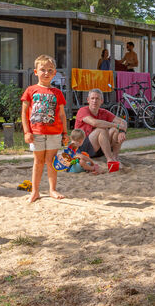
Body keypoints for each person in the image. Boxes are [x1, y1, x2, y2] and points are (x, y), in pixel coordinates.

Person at [21, 54, 67, 202]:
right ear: (36, 72)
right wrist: (27, 131)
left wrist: (65, 133)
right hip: (36, 133)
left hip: (55, 133)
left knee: (51, 161)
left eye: (50, 70)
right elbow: (24, 113)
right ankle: (35, 191)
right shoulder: (30, 90)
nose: (46, 73)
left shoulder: (57, 93)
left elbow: (62, 115)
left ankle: (52, 189)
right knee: (38, 162)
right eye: (43, 70)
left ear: (54, 73)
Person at [74, 89, 126, 172]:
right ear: (88, 100)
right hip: (83, 148)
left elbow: (123, 122)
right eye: (92, 98)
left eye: (97, 99)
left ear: (101, 101)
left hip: (100, 148)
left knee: (115, 130)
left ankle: (115, 157)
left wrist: (121, 131)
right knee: (101, 129)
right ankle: (110, 160)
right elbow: (94, 123)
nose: (94, 101)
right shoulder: (83, 111)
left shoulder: (104, 112)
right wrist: (117, 125)